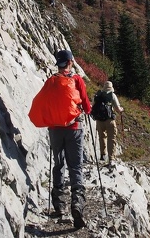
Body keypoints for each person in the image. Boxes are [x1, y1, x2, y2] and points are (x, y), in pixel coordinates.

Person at [48, 49, 91, 229]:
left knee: (58, 164)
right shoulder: (77, 80)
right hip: (73, 128)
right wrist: (85, 110)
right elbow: (87, 106)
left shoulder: (51, 81)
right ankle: (77, 205)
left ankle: (58, 205)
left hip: (55, 130)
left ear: (58, 64)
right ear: (71, 62)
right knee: (75, 166)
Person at [93, 81, 123, 168]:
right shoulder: (112, 95)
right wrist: (121, 109)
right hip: (109, 120)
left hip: (99, 120)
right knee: (111, 138)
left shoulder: (98, 95)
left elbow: (92, 105)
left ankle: (102, 155)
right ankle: (111, 159)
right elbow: (117, 108)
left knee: (102, 137)